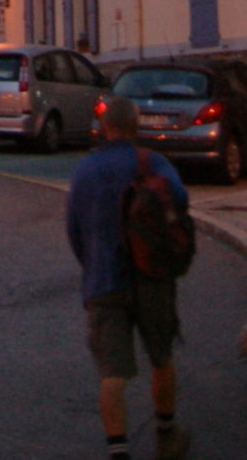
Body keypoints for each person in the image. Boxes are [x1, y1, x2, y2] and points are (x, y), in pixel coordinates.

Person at [66, 95, 191, 460]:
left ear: (104, 127)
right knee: (161, 358)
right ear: (136, 127)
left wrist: (92, 267)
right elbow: (180, 200)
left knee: (112, 373)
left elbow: (74, 231)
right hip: (151, 275)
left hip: (104, 282)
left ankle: (118, 451)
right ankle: (167, 435)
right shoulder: (153, 162)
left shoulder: (84, 172)